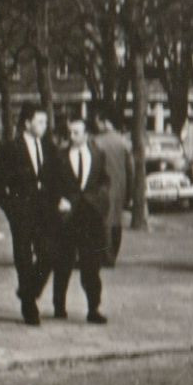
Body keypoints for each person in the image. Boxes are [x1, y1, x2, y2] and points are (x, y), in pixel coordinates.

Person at [0, 105, 56, 326]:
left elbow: (55, 178)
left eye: (45, 123)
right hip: (22, 213)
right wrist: (12, 209)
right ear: (27, 123)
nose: (44, 127)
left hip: (45, 212)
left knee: (48, 253)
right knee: (24, 257)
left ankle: (29, 290)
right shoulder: (12, 148)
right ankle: (29, 306)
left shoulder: (48, 146)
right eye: (40, 122)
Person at [48, 118, 112, 322]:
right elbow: (52, 183)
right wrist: (58, 200)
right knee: (63, 263)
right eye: (70, 132)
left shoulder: (98, 155)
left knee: (91, 264)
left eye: (76, 132)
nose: (72, 136)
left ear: (86, 135)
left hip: (90, 216)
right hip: (67, 217)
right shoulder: (60, 156)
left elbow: (104, 180)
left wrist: (100, 200)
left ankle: (94, 308)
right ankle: (59, 305)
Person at [93, 114, 132, 268]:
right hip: (120, 187)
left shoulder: (96, 142)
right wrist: (129, 190)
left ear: (105, 121)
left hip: (102, 188)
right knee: (116, 221)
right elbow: (131, 169)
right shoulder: (124, 142)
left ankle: (106, 257)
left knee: (104, 223)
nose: (96, 125)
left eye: (98, 121)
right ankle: (113, 254)